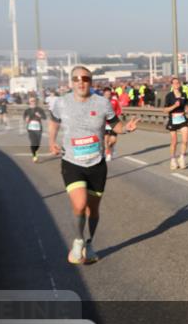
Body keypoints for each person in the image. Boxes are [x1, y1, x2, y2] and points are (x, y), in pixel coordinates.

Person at [49, 66, 138, 264]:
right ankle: (79, 240)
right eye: (76, 78)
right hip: (72, 162)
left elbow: (116, 125)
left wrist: (126, 128)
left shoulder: (102, 103)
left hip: (96, 164)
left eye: (85, 78)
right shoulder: (61, 103)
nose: (81, 82)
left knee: (93, 210)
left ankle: (89, 243)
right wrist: (51, 141)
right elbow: (54, 122)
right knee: (79, 205)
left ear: (91, 81)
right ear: (71, 81)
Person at [163, 76, 188, 170]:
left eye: (178, 83)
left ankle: (182, 158)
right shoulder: (169, 96)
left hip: (182, 119)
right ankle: (173, 160)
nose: (176, 84)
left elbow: (186, 106)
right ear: (172, 85)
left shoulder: (184, 94)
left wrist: (186, 109)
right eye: (174, 83)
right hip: (173, 120)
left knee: (185, 139)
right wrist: (174, 105)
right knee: (174, 141)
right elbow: (165, 110)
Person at [102, 87, 124, 161]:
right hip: (104, 123)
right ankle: (108, 153)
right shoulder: (100, 102)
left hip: (113, 122)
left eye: (109, 94)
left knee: (113, 140)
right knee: (106, 140)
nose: (108, 95)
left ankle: (111, 148)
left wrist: (116, 116)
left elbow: (118, 110)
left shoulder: (114, 101)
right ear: (104, 94)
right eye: (106, 94)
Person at [23, 95, 47, 162]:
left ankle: (35, 151)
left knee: (38, 144)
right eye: (31, 101)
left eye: (34, 101)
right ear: (29, 102)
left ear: (36, 101)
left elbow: (45, 117)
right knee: (33, 143)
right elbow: (24, 118)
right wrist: (26, 119)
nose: (32, 102)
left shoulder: (39, 109)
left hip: (38, 128)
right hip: (30, 129)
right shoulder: (27, 110)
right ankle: (34, 156)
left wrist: (40, 115)